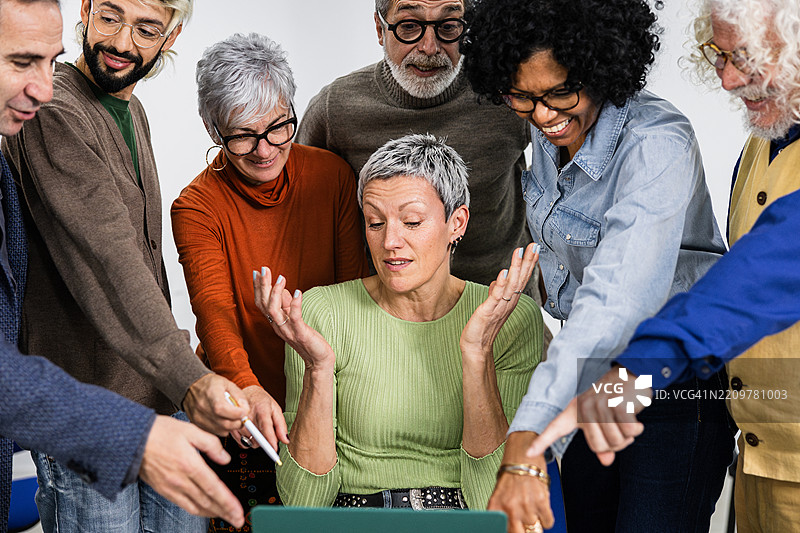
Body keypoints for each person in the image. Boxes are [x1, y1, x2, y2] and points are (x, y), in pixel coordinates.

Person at [461, 0, 734, 531]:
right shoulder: (546, 134)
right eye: (522, 96)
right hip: (603, 379)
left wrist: (528, 439)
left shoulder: (656, 143)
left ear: (602, 63)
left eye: (561, 91)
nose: (543, 115)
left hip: (672, 378)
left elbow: (615, 303)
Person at [530, 0, 800, 531]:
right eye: (719, 55)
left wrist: (629, 377)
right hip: (765, 459)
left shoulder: (657, 139)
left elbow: (756, 279)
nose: (725, 79)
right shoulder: (763, 142)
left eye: (744, 56)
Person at [1, 0, 257, 531]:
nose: (121, 43)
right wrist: (191, 377)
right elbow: (109, 255)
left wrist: (188, 381)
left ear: (171, 35)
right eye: (111, 16)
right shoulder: (54, 111)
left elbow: (144, 260)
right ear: (88, 7)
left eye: (145, 29)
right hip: (91, 408)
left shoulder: (130, 109)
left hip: (162, 396)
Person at [256, 134, 543, 511]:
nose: (391, 241)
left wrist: (477, 353)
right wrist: (319, 368)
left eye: (411, 222)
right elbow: (303, 503)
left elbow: (493, 501)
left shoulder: (510, 318)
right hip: (354, 519)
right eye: (375, 223)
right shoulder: (320, 313)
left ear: (456, 222)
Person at [171, 33, 368, 521]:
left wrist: (328, 395)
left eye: (278, 127)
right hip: (246, 406)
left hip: (332, 401)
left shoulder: (332, 176)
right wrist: (245, 386)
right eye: (241, 135)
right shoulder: (196, 206)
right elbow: (214, 314)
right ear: (211, 127)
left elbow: (356, 295)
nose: (264, 150)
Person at [296, 0, 546, 315]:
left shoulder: (508, 95)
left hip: (504, 308)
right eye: (409, 26)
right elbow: (302, 218)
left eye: (449, 26)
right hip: (387, 321)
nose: (429, 48)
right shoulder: (336, 109)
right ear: (379, 28)